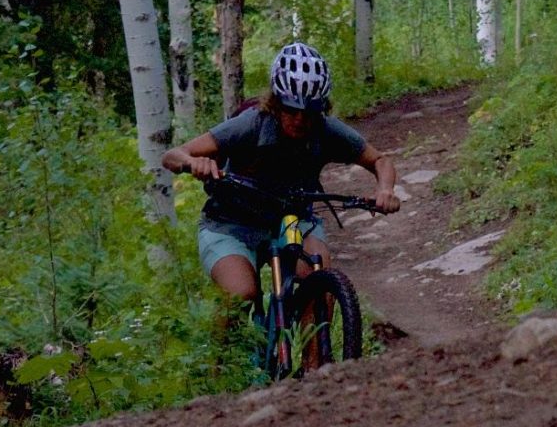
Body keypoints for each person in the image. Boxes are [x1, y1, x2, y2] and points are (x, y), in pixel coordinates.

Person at [161, 42, 400, 300]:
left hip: (292, 220)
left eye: (309, 112)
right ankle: (226, 341)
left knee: (320, 285)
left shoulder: (326, 130)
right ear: (275, 103)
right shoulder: (251, 124)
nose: (300, 119)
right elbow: (172, 155)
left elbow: (380, 160)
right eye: (291, 109)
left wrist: (385, 189)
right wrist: (194, 162)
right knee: (241, 293)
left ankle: (314, 339)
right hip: (231, 223)